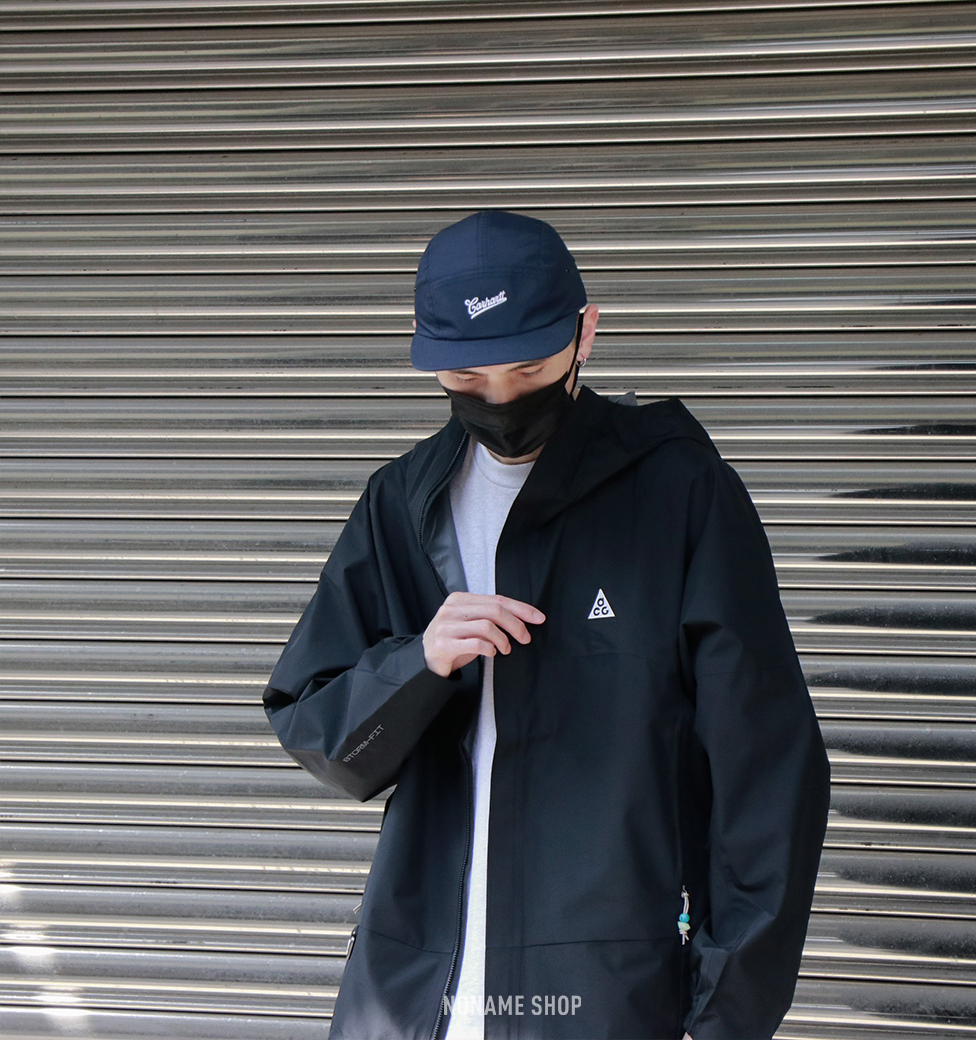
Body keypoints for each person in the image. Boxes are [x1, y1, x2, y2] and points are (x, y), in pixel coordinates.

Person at [262, 209, 831, 1040]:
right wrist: (418, 663)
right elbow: (320, 734)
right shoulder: (401, 504)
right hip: (413, 996)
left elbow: (767, 772)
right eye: (467, 378)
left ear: (585, 331)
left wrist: (724, 1016)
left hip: (605, 994)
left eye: (528, 368)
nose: (500, 401)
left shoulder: (678, 494)